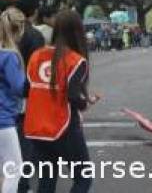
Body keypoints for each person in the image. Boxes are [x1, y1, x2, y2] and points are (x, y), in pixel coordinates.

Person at [24, 10, 100, 193]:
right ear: (78, 32)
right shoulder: (76, 61)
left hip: (37, 129)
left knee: (46, 181)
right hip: (63, 127)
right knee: (83, 178)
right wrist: (85, 103)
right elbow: (73, 97)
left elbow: (26, 90)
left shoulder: (36, 56)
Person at [15, 0, 45, 193]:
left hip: (8, 93)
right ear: (34, 11)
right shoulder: (34, 35)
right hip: (28, 94)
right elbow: (40, 68)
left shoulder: (8, 30)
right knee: (25, 141)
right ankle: (21, 185)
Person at [0, 7, 26, 193]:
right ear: (19, 29)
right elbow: (19, 88)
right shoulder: (9, 56)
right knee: (13, 170)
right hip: (4, 119)